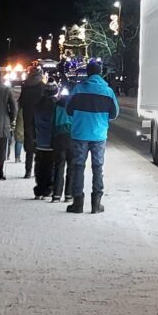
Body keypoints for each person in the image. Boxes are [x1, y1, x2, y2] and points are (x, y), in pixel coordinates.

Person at [65, 60, 119, 214]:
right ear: (100, 73)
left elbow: (68, 110)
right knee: (97, 168)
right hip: (99, 135)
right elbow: (114, 114)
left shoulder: (78, 89)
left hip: (80, 133)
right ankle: (96, 203)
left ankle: (78, 202)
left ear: (87, 73)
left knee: (78, 167)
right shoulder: (107, 91)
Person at [16, 66, 44, 178]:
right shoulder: (41, 86)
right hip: (39, 118)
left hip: (27, 116)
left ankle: (28, 171)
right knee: (39, 146)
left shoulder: (26, 86)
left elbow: (21, 102)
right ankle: (38, 172)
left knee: (29, 145)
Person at [32, 78, 57, 199]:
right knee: (50, 166)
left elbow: (32, 123)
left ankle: (39, 189)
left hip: (40, 140)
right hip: (52, 141)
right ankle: (48, 189)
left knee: (40, 166)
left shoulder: (37, 105)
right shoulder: (56, 106)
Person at [51, 81, 74, 203]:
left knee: (59, 166)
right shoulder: (76, 104)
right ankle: (69, 194)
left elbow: (53, 121)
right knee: (72, 167)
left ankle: (56, 194)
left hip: (59, 136)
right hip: (72, 136)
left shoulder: (57, 105)